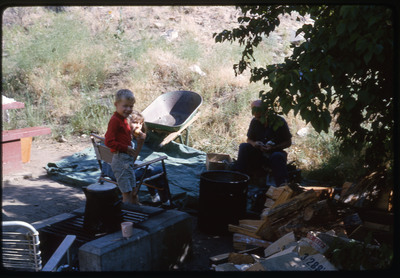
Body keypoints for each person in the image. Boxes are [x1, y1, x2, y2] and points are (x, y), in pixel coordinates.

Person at [231, 99, 292, 187]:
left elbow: (288, 142)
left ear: (266, 110)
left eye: (258, 112)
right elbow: (249, 139)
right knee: (244, 147)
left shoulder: (279, 121)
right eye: (254, 111)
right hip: (259, 154)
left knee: (277, 156)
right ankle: (238, 180)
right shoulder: (254, 121)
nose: (256, 115)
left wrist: (274, 148)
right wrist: (255, 144)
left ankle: (282, 187)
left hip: (274, 154)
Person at [128, 111, 171, 206]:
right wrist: (140, 144)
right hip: (125, 174)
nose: (138, 126)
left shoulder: (115, 136)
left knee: (147, 167)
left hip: (108, 170)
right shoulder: (127, 142)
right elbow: (131, 161)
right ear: (127, 122)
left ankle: (154, 196)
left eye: (140, 123)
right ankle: (165, 201)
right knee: (157, 170)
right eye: (135, 122)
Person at [104, 89, 140, 204]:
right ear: (116, 105)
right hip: (120, 160)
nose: (128, 109)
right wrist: (125, 148)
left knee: (134, 190)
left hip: (127, 161)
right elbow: (108, 141)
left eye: (131, 106)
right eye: (125, 106)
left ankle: (137, 209)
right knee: (127, 192)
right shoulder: (115, 120)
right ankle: (127, 216)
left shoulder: (124, 119)